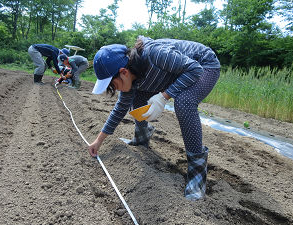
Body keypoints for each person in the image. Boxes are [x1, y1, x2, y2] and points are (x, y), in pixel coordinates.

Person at [89, 36, 221, 201]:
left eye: (114, 86)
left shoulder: (156, 54)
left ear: (123, 72)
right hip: (174, 73)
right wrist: (98, 141)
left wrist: (164, 97)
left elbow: (194, 70)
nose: (116, 90)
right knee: (136, 97)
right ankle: (142, 137)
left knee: (184, 101)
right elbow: (119, 109)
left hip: (203, 65)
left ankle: (197, 174)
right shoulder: (130, 75)